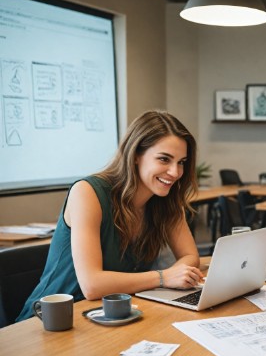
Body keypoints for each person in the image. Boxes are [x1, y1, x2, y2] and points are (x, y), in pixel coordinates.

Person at [17, 110, 203, 322]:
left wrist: (178, 275)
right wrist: (164, 278)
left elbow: (190, 257)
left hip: (115, 314)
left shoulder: (166, 199)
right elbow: (92, 285)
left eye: (181, 162)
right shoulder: (87, 192)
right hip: (53, 320)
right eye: (164, 159)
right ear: (135, 156)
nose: (175, 172)